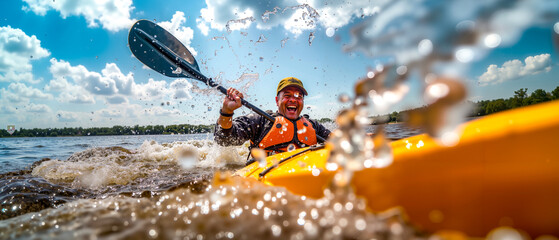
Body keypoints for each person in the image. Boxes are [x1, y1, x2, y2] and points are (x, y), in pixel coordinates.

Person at [214, 77, 331, 156]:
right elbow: (223, 139)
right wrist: (227, 111)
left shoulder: (314, 126)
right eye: (287, 95)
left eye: (298, 96)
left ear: (302, 101)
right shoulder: (260, 121)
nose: (293, 100)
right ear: (277, 100)